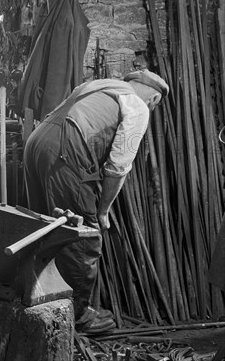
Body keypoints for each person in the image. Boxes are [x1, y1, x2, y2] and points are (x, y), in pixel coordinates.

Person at [23, 69, 169, 334]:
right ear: (155, 99)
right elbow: (118, 166)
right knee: (82, 233)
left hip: (36, 142)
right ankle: (77, 315)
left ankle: (36, 298)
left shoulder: (99, 86)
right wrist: (102, 211)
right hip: (66, 151)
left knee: (45, 226)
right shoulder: (138, 106)